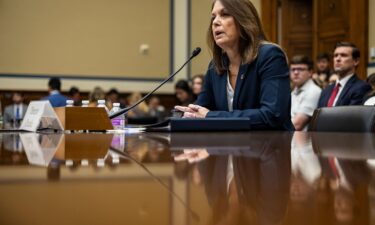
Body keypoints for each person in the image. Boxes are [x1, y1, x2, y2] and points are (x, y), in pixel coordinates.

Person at [175, 0, 293, 131]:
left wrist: (210, 116)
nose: (215, 22)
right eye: (213, 17)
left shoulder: (270, 56)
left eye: (224, 14)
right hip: (230, 147)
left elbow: (272, 115)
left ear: (244, 20)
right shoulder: (215, 66)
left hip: (273, 146)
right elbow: (199, 108)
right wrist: (186, 116)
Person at [317, 42, 371, 107]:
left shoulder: (361, 87)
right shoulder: (326, 90)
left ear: (356, 61)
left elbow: (352, 116)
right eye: (335, 55)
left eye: (343, 55)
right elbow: (318, 114)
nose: (338, 59)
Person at [290, 55, 321, 131]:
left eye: (300, 69)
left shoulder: (313, 91)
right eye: (293, 69)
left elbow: (297, 125)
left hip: (302, 141)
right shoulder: (294, 90)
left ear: (310, 72)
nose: (296, 72)